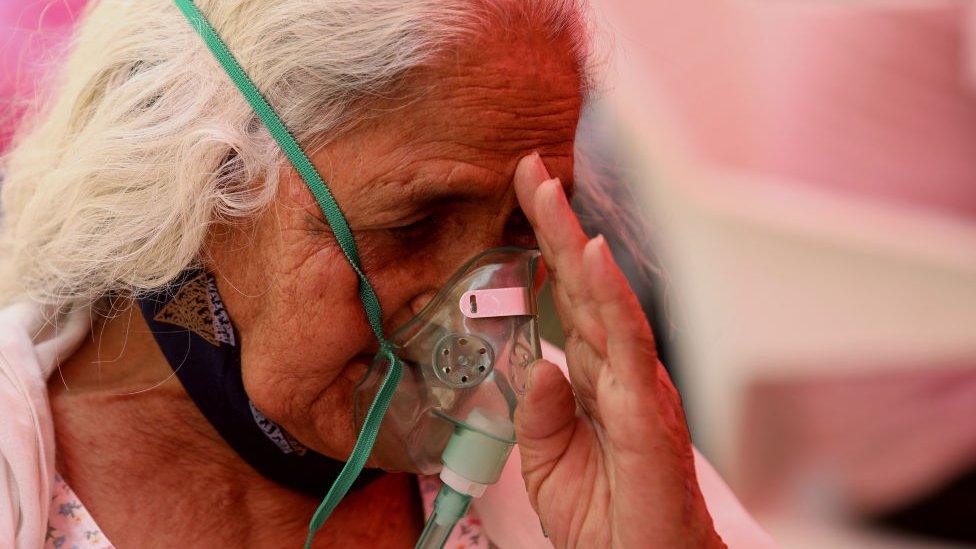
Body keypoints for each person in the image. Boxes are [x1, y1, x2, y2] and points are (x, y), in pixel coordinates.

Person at [0, 1, 773, 547]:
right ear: (203, 187)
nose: (479, 317)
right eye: (411, 226)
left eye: (522, 229)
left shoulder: (578, 452)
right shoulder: (25, 469)